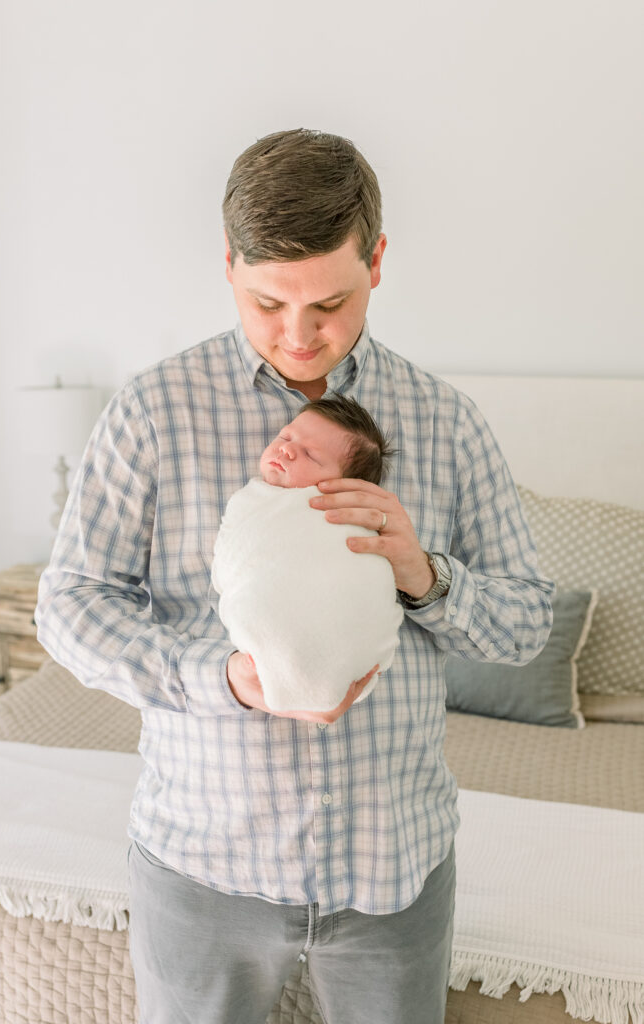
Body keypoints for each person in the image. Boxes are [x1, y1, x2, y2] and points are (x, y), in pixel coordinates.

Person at [35, 128, 554, 1024]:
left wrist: (423, 575)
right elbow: (70, 607)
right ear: (228, 265)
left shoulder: (445, 421)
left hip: (393, 874)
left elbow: (524, 624)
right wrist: (224, 678)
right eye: (267, 302)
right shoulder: (154, 410)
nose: (298, 335)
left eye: (331, 303)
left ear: (377, 261)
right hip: (200, 868)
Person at [211, 395, 404, 714]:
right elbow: (232, 562)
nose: (286, 448)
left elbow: (362, 576)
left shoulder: (350, 516)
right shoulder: (252, 502)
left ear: (344, 486)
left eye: (311, 455)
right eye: (286, 437)